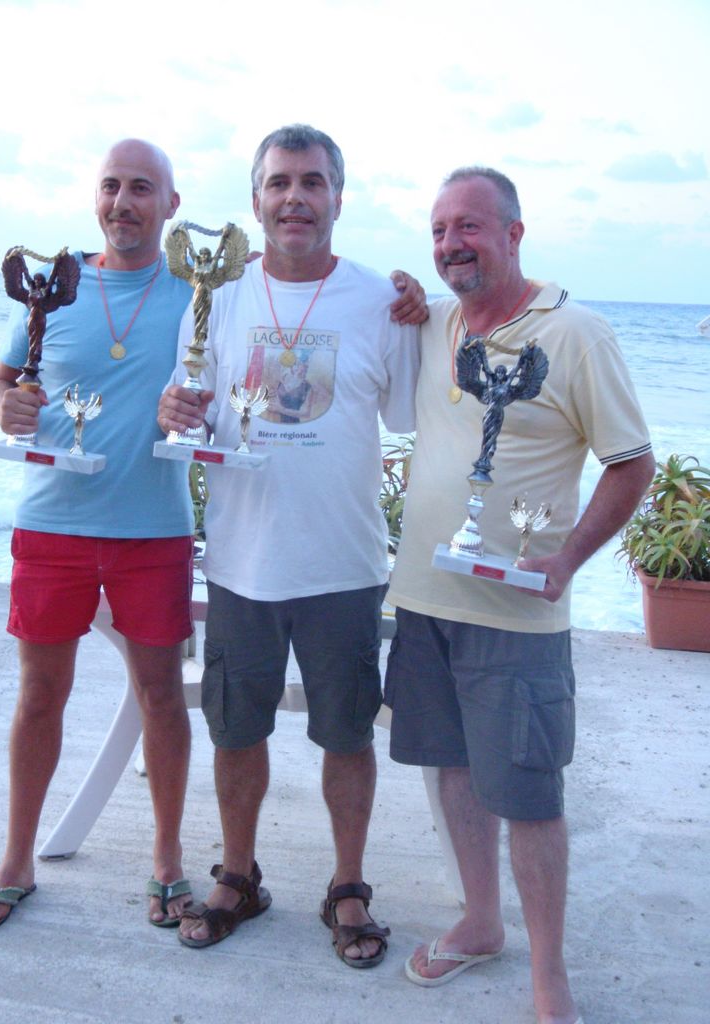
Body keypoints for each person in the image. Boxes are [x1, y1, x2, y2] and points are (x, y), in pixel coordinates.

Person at [383, 167, 654, 1023]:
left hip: (516, 613)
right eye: (438, 231)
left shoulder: (576, 333)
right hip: (426, 598)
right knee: (453, 770)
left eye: (469, 226)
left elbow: (632, 463)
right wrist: (399, 292)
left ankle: (549, 976)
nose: (450, 244)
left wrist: (567, 560)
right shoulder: (434, 323)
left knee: (531, 793)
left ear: (514, 233)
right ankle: (480, 920)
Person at [157, 124, 423, 967]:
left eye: (312, 182)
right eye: (279, 183)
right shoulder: (219, 295)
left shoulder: (380, 301)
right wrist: (174, 410)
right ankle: (238, 876)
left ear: (338, 197)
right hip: (243, 564)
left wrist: (433, 311)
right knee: (237, 731)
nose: (295, 198)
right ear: (256, 200)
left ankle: (348, 886)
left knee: (347, 735)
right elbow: (190, 404)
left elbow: (417, 414)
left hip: (343, 565)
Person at [0, 139, 197, 933]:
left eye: (142, 188)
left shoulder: (198, 296)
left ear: (171, 205)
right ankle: (16, 860)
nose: (122, 203)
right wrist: (7, 407)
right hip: (52, 524)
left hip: (153, 530)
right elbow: (0, 381)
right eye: (111, 186)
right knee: (40, 695)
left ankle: (167, 859)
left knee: (161, 695)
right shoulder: (51, 290)